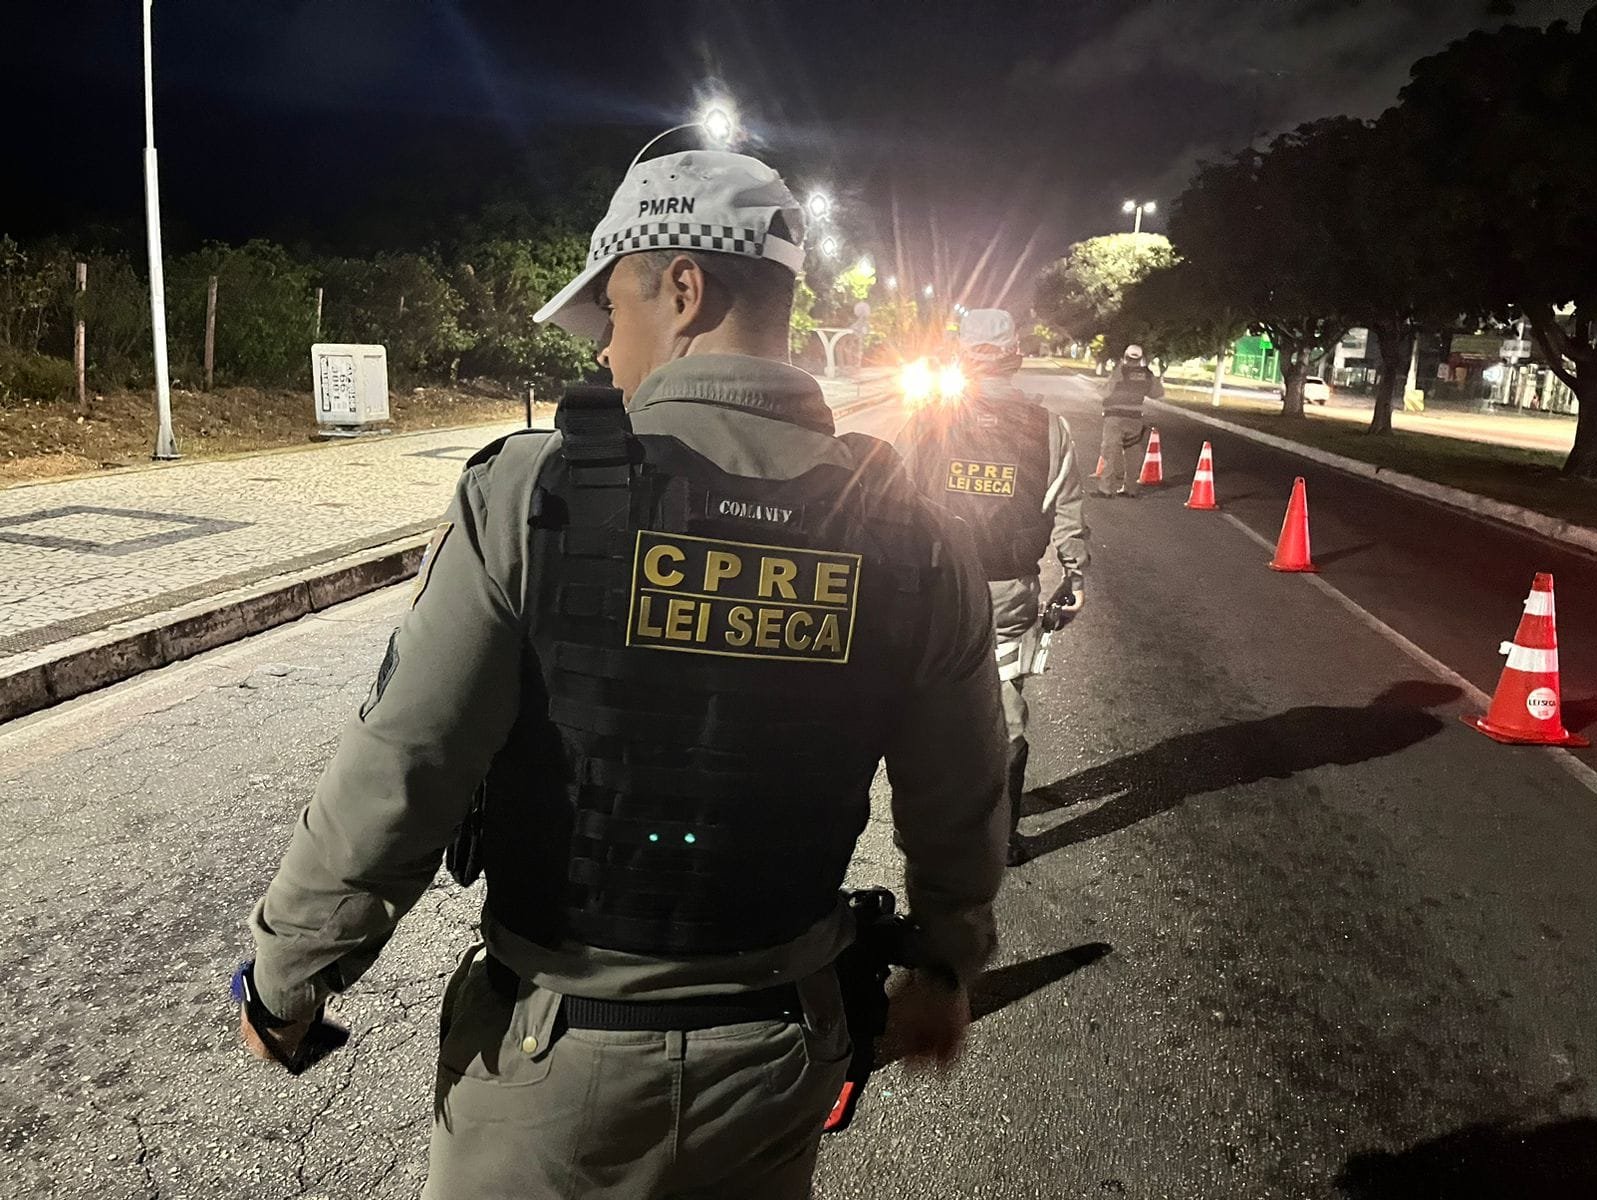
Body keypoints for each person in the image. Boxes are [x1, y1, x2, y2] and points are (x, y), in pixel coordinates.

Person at [236, 147, 1008, 1200]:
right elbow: (961, 797)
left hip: (558, 1064)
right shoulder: (917, 537)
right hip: (782, 1054)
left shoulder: (534, 495)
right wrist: (948, 959)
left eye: (609, 312)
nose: (602, 351)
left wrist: (287, 977)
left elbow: (408, 763)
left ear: (683, 288)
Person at [894, 308, 1089, 867]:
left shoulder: (927, 419)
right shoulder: (1049, 428)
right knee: (1004, 708)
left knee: (922, 704)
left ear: (962, 356)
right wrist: (1074, 576)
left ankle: (921, 830)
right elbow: (1067, 511)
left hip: (933, 588)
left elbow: (892, 498)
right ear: (1014, 357)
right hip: (1008, 592)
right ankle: (997, 837)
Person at [1098, 343, 1163, 497]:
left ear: (1125, 357)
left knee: (1109, 452)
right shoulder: (1147, 374)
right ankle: (1130, 489)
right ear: (1140, 358)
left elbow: (1106, 392)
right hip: (1135, 420)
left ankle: (1105, 489)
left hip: (1115, 418)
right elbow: (1157, 393)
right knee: (1133, 454)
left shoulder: (1120, 371)